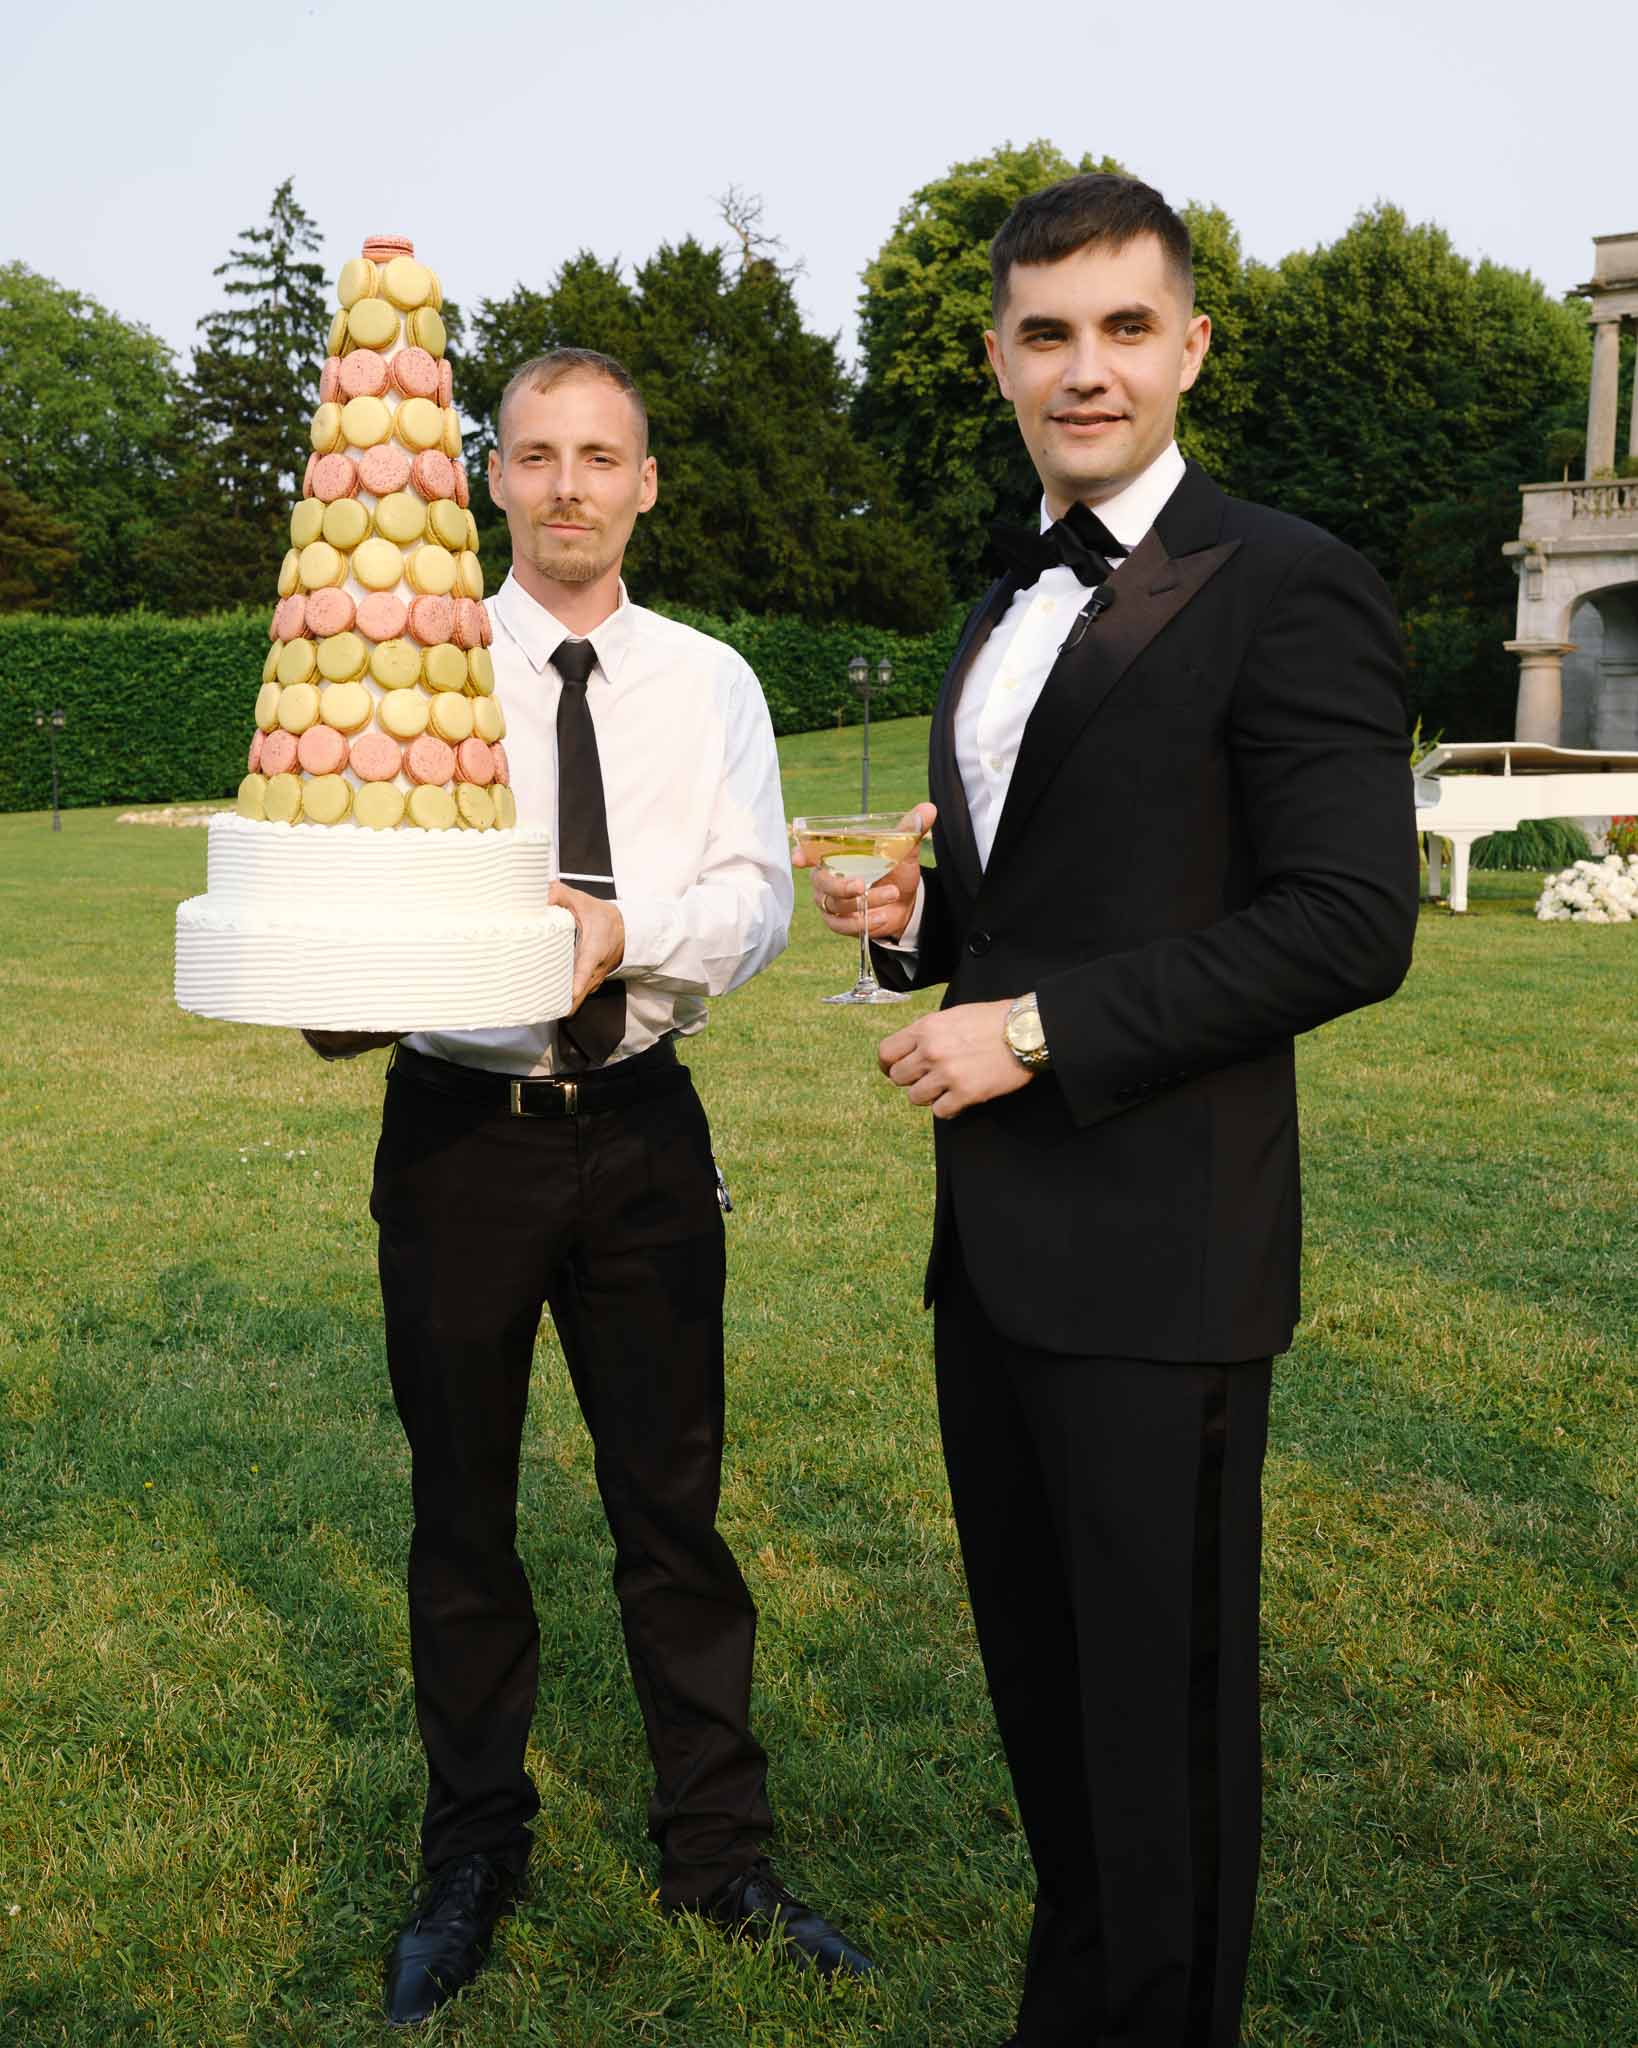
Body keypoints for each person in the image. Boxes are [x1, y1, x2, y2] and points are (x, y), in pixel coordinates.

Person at [799, 176, 1419, 2047]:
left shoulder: (1291, 580)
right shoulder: (1000, 599)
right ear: (996, 359)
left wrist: (1039, 1030)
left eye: (1123, 329)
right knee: (1055, 1727)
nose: (1086, 371)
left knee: (1160, 1750)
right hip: (988, 1261)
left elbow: (1346, 920)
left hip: (1163, 1258)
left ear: (1189, 347)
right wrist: (921, 942)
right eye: (1046, 335)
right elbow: (1031, 895)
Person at [310, 348, 871, 2027]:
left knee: (672, 1515)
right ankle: (472, 1853)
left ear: (645, 483)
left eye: (600, 456)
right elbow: (341, 902)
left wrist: (634, 933)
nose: (568, 486)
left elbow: (756, 899)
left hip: (639, 1127)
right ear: (492, 478)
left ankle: (719, 1856)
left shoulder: (708, 683)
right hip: (459, 1133)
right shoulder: (403, 672)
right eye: (538, 455)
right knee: (461, 1513)